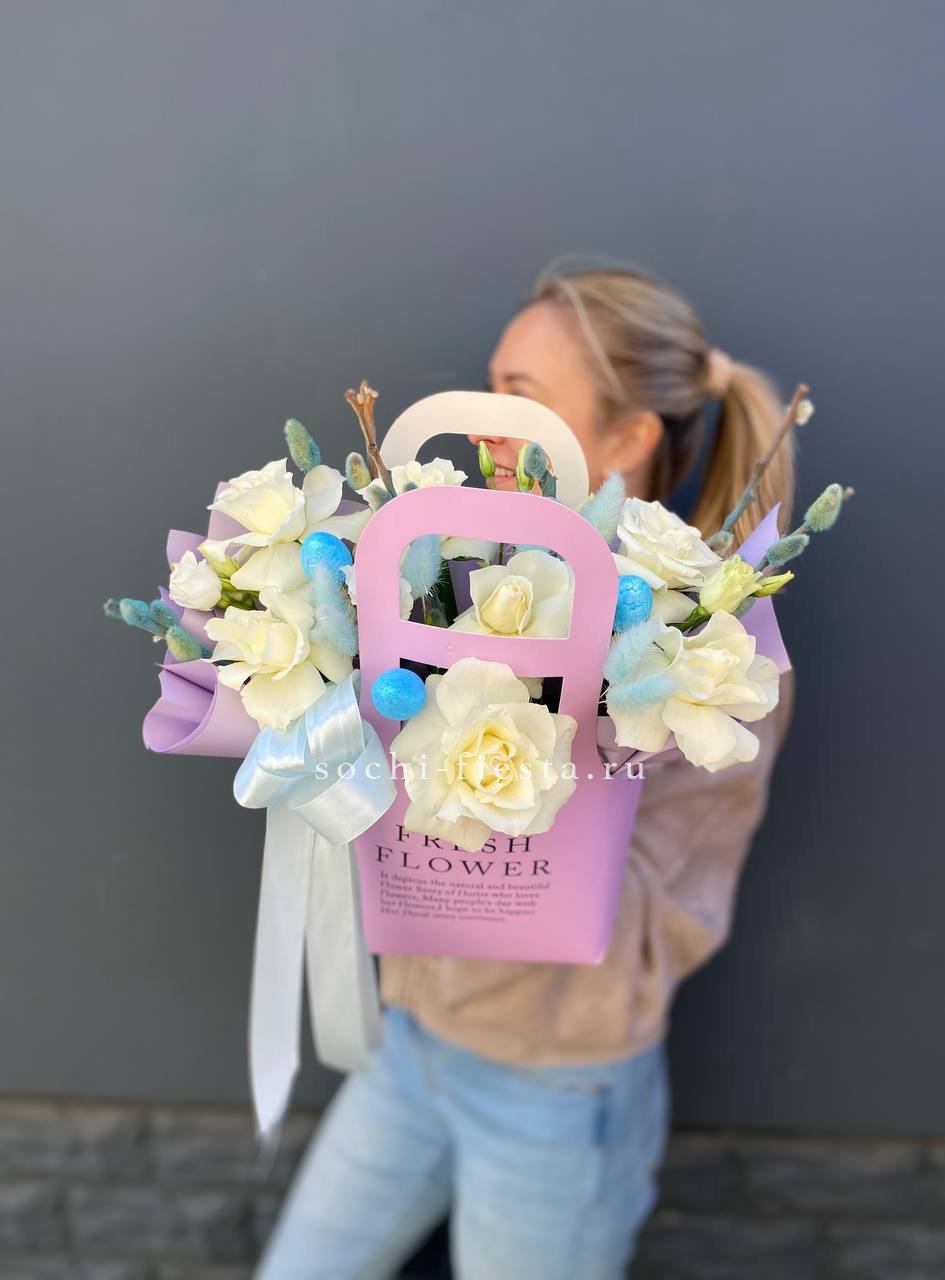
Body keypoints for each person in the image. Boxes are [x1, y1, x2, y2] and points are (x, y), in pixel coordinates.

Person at [257, 264, 796, 1280]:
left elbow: (641, 906)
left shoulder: (710, 655)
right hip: (414, 1042)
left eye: (523, 394)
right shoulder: (459, 575)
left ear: (627, 437)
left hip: (554, 1083)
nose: (489, 419)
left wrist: (492, 779)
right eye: (491, 384)